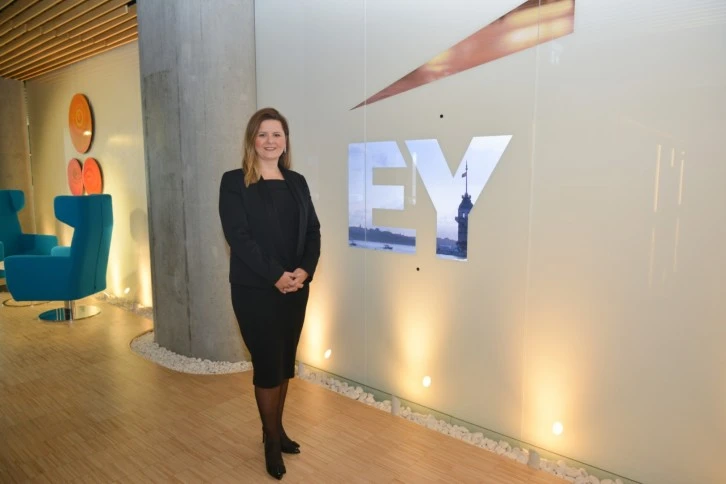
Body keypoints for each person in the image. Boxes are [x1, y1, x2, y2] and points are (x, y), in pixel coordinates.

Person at [219, 107, 321, 480]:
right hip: (255, 291)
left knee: (283, 363)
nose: (270, 141)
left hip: (295, 288)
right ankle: (271, 442)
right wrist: (276, 275)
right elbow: (238, 237)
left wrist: (304, 270)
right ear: (252, 140)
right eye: (262, 134)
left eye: (277, 134)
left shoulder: (297, 182)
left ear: (285, 141)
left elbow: (313, 231)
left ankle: (275, 429)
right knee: (266, 365)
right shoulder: (234, 182)